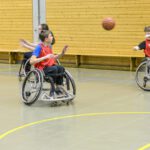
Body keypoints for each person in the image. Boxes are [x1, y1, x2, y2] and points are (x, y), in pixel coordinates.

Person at [30, 30, 68, 96]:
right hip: (42, 69)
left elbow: (53, 57)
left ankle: (59, 87)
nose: (52, 37)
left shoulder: (49, 47)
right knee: (54, 69)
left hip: (50, 67)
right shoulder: (39, 47)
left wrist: (62, 53)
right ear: (46, 39)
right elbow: (31, 61)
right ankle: (52, 89)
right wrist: (45, 57)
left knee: (61, 68)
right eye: (51, 36)